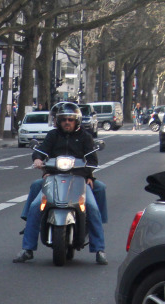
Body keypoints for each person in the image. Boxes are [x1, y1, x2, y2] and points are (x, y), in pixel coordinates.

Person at [14, 102, 107, 265]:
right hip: (53, 178)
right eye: (64, 119)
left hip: (79, 179)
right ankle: (27, 249)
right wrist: (37, 159)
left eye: (70, 120)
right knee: (36, 205)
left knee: (91, 207)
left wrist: (87, 174)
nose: (67, 123)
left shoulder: (85, 137)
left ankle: (99, 250)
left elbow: (92, 160)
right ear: (58, 121)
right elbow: (42, 151)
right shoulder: (53, 136)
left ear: (76, 121)